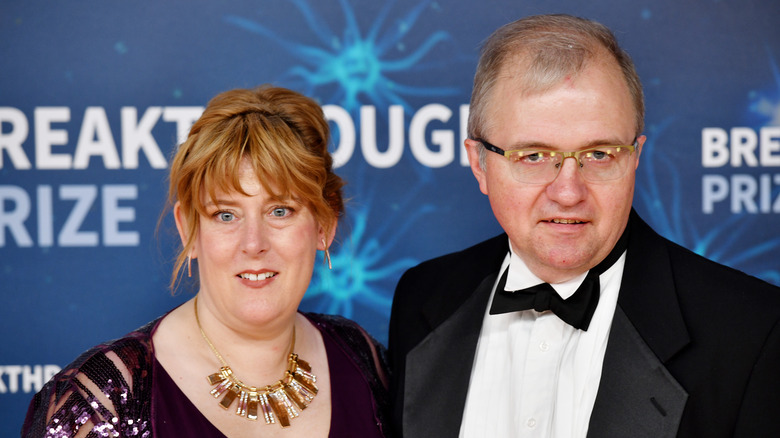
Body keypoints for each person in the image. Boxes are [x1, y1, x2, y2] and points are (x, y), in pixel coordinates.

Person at [388, 14, 780, 438]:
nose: (568, 192)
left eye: (599, 154)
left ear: (634, 158)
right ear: (479, 163)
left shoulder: (753, 333)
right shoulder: (423, 297)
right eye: (533, 156)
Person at [23, 85, 391, 437]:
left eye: (280, 210)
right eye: (225, 215)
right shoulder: (102, 399)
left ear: (324, 223)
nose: (253, 243)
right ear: (188, 230)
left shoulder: (362, 359)